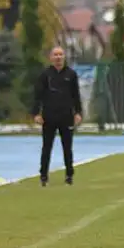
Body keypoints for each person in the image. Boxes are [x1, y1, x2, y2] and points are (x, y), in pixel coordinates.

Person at [32, 47, 83, 186]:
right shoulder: (45, 75)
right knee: (46, 147)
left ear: (64, 57)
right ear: (51, 57)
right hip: (49, 117)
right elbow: (38, 96)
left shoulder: (71, 74)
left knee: (67, 147)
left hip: (66, 116)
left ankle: (69, 175)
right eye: (55, 54)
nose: (58, 57)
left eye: (61, 54)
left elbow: (76, 95)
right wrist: (36, 113)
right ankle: (43, 176)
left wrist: (78, 112)